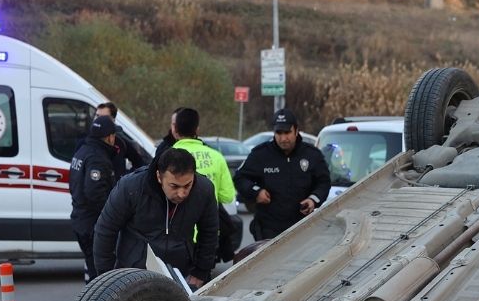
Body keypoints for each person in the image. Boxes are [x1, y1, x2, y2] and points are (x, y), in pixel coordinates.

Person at [94, 147, 219, 289]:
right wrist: (107, 278)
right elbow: (105, 229)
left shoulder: (204, 190)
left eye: (187, 185)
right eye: (174, 186)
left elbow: (210, 231)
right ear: (159, 176)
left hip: (181, 273)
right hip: (133, 273)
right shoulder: (131, 187)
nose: (181, 193)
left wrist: (200, 272)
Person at [234, 108, 330, 240]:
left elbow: (324, 182)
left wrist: (313, 199)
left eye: (287, 132)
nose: (283, 138)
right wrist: (256, 192)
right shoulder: (261, 154)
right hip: (269, 229)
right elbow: (240, 177)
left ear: (296, 131)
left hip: (302, 228)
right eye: (278, 133)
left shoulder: (312, 155)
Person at [169, 107, 241, 262]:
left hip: (177, 235)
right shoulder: (216, 156)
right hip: (207, 234)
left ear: (175, 129)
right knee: (203, 280)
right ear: (197, 129)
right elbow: (227, 196)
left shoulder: (167, 157)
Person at [69, 115, 119, 281]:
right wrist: (113, 218)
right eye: (114, 135)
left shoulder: (82, 151)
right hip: (93, 224)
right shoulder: (97, 158)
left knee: (93, 271)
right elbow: (95, 194)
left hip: (80, 219)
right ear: (109, 137)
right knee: (100, 277)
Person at [96, 101, 148, 179]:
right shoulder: (86, 142)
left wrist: (126, 178)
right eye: (97, 116)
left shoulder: (120, 142)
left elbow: (139, 162)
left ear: (113, 120)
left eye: (103, 117)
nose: (98, 120)